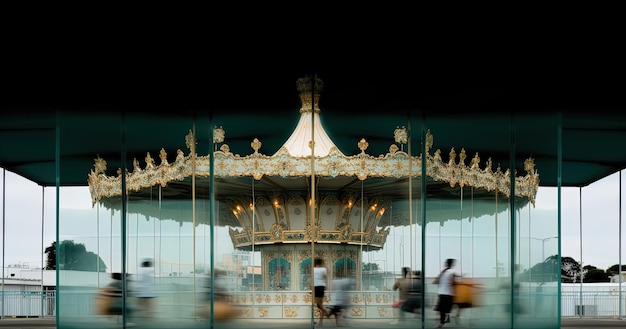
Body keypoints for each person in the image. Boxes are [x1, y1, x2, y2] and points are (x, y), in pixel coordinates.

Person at [433, 258, 457, 328]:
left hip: (441, 293)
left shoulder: (442, 272)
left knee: (441, 309)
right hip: (449, 293)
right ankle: (446, 318)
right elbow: (453, 282)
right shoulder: (452, 272)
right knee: (446, 308)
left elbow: (435, 281)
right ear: (452, 264)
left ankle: (442, 322)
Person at [313, 257, 329, 325]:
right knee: (319, 305)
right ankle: (322, 319)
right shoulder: (323, 269)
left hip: (316, 287)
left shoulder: (313, 269)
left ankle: (325, 314)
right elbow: (325, 277)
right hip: (320, 287)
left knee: (318, 305)